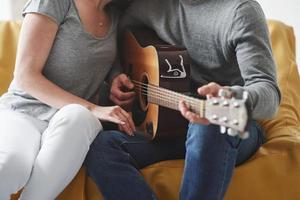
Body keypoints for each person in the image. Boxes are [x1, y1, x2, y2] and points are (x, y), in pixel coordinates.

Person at [84, 0, 281, 199]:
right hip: (172, 126)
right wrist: (116, 74)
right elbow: (118, 35)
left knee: (209, 124)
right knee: (100, 146)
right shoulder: (148, 5)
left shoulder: (241, 11)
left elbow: (268, 91)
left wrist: (232, 97)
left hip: (229, 127)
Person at [0, 0, 135, 199]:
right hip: (24, 111)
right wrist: (94, 109)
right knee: (10, 165)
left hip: (72, 123)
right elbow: (25, 76)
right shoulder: (53, 2)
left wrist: (114, 76)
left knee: (79, 115)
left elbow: (104, 54)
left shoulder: (115, 13)